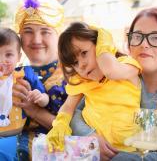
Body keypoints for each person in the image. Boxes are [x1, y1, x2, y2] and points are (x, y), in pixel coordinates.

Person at [70, 7, 157, 161]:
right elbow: (75, 112)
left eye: (155, 37)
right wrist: (91, 137)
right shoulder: (117, 75)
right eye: (137, 36)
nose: (144, 44)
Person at [46, 22, 142, 155]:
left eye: (84, 53)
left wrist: (104, 43)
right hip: (95, 151)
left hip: (131, 150)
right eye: (75, 63)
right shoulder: (81, 80)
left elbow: (110, 71)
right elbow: (68, 107)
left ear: (99, 45)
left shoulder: (127, 65)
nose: (82, 65)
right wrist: (60, 125)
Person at [0, 0, 68, 161]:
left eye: (45, 31)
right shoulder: (13, 73)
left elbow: (79, 131)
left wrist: (33, 110)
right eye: (28, 31)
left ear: (58, 35)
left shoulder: (76, 76)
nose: (36, 40)